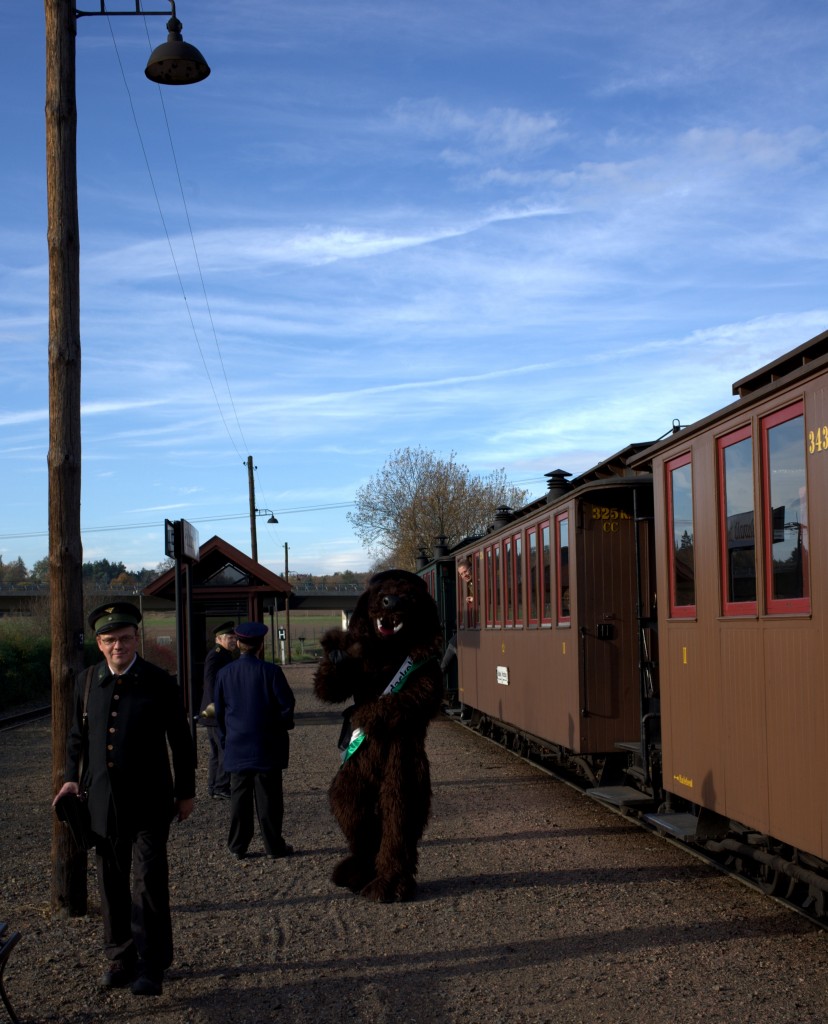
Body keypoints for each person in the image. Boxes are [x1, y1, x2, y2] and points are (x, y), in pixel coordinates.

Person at [52, 602, 195, 997]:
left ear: (137, 639)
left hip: (150, 802)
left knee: (148, 881)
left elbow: (181, 743)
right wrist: (68, 781)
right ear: (99, 643)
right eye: (111, 640)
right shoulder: (86, 683)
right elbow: (77, 740)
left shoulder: (160, 682)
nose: (119, 646)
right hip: (103, 803)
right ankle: (121, 955)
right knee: (111, 882)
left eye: (126, 638)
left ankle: (152, 963)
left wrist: (185, 792)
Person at [214, 622, 296, 860]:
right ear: (260, 645)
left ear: (238, 643)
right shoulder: (271, 672)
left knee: (239, 800)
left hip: (237, 745)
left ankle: (238, 846)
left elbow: (219, 713)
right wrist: (278, 727)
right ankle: (273, 846)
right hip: (266, 745)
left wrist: (226, 739)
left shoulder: (224, 673)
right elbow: (286, 705)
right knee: (269, 800)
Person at [199, 621, 237, 799]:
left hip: (213, 712)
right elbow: (211, 683)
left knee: (216, 752)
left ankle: (213, 786)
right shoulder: (216, 656)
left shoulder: (225, 655)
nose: (233, 640)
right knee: (223, 750)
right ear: (219, 639)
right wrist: (218, 706)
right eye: (230, 637)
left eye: (234, 637)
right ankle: (221, 786)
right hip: (215, 712)